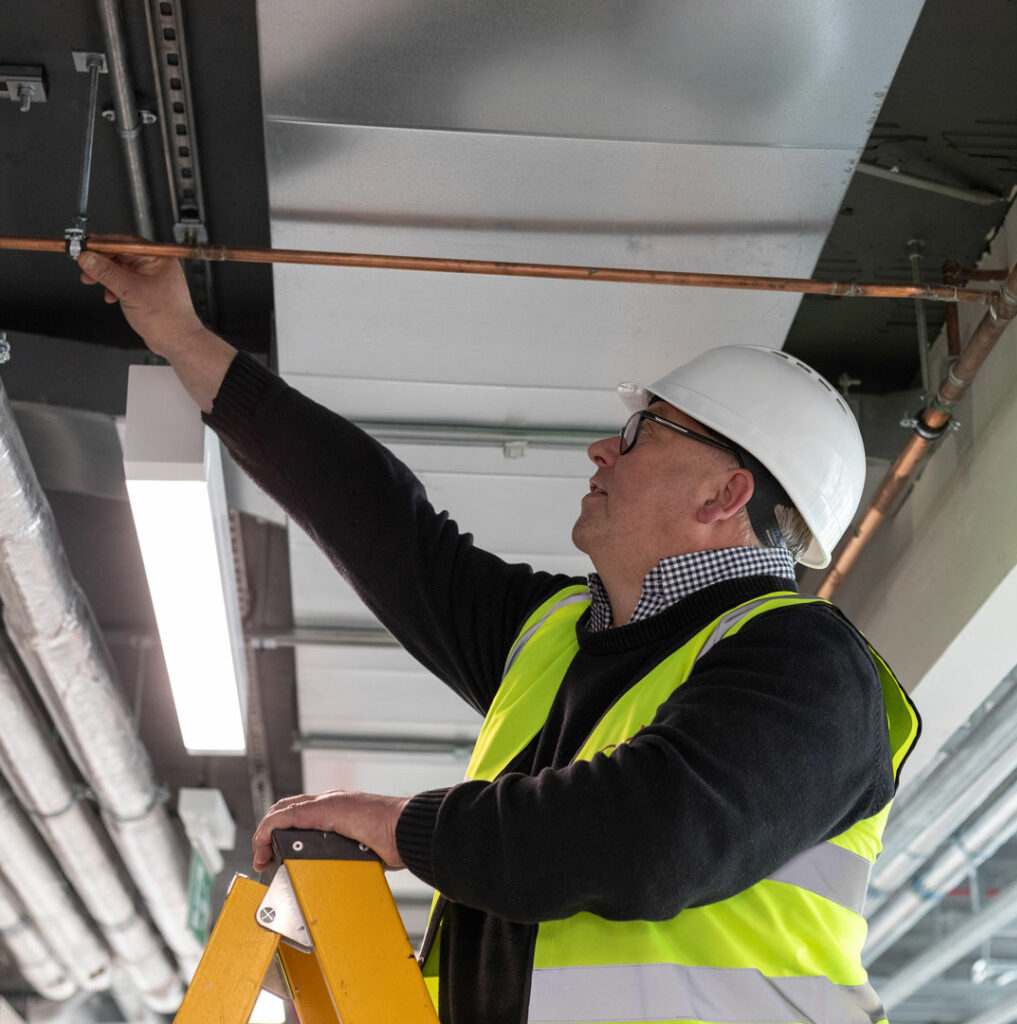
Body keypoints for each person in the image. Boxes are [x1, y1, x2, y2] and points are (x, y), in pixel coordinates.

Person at [79, 245, 919, 1024]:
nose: (602, 449)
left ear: (724, 495)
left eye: (639, 433)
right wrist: (180, 338)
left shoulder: (808, 666)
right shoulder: (554, 636)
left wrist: (405, 827)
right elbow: (382, 527)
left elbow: (650, 839)